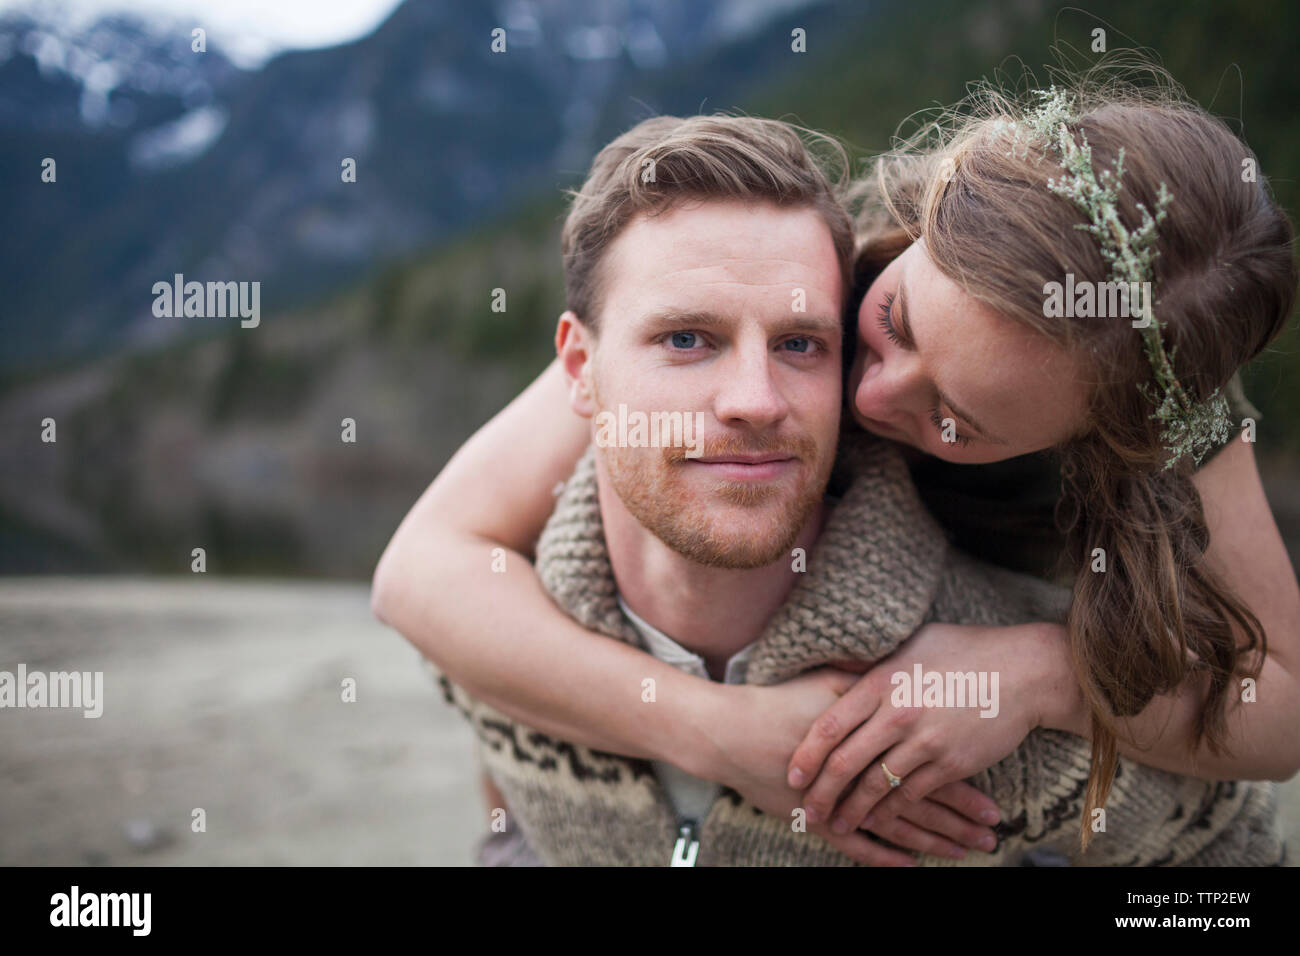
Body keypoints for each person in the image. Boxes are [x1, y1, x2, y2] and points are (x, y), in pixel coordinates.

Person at [372, 67, 1300, 865]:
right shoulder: (772, 264)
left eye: (957, 420)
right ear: (929, 214)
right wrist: (721, 735)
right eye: (891, 325)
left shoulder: (1172, 422)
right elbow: (426, 572)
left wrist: (1040, 675)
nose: (871, 398)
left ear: (1098, 438)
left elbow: (1282, 713)